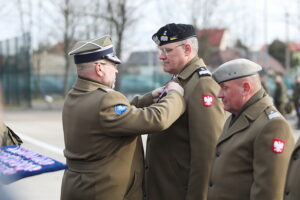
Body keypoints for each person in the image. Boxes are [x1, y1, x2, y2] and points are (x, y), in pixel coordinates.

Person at [60, 35, 186, 200]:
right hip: (103, 190)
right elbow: (156, 120)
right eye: (113, 65)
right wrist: (175, 94)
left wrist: (148, 99)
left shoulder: (75, 95)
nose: (117, 70)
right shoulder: (106, 100)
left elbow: (113, 116)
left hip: (78, 186)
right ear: (99, 68)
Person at [144, 23, 226, 200]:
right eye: (161, 51)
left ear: (187, 49)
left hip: (179, 192)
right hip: (165, 188)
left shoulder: (202, 84)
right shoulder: (179, 81)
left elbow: (207, 153)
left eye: (167, 50)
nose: (161, 57)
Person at [208, 58, 295, 200]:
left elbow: (270, 192)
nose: (219, 94)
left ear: (246, 88)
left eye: (225, 88)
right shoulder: (234, 117)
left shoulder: (272, 126)